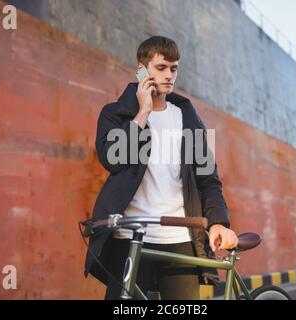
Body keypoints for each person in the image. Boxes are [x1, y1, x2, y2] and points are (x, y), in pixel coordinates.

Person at [84, 35, 238, 300]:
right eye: (161, 67)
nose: (169, 75)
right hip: (129, 237)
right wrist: (142, 113)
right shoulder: (115, 114)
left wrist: (218, 223)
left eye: (174, 68)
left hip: (180, 240)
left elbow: (208, 180)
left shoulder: (190, 119)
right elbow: (113, 159)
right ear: (142, 70)